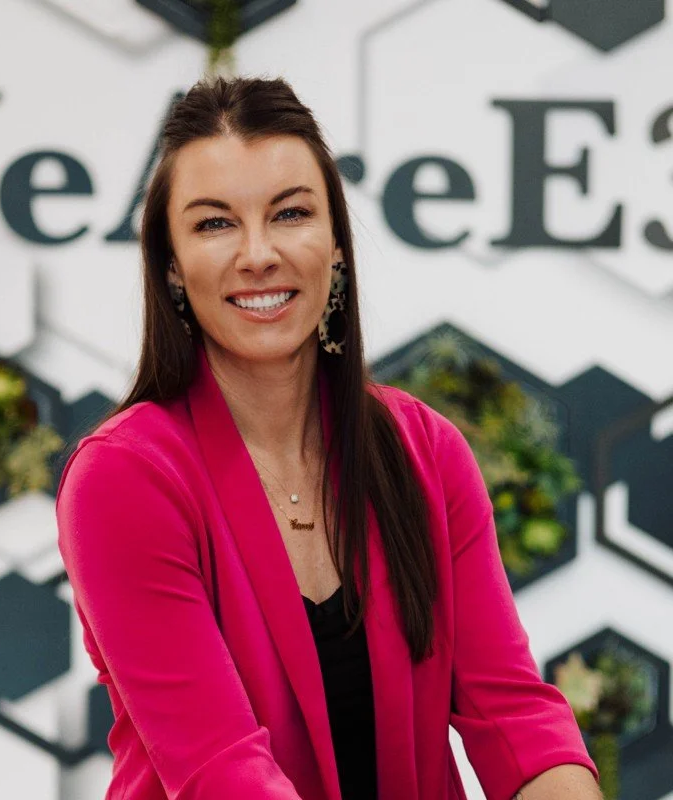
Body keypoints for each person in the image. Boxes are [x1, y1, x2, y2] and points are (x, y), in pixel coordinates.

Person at [55, 76, 601, 800]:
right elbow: (222, 772)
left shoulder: (426, 451)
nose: (258, 254)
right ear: (172, 267)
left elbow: (516, 719)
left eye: (290, 214)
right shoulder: (124, 478)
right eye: (215, 224)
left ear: (337, 245)